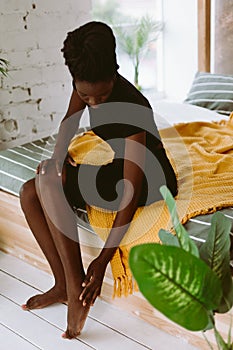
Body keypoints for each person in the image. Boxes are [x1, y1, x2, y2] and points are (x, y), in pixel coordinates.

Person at [19, 21, 177, 339]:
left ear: (114, 75)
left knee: (47, 184)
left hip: (148, 178)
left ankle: (76, 292)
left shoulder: (133, 106)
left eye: (101, 96)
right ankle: (62, 285)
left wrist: (104, 258)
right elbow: (69, 123)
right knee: (29, 190)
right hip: (115, 167)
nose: (93, 103)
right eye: (85, 95)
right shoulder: (87, 83)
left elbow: (130, 190)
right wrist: (57, 159)